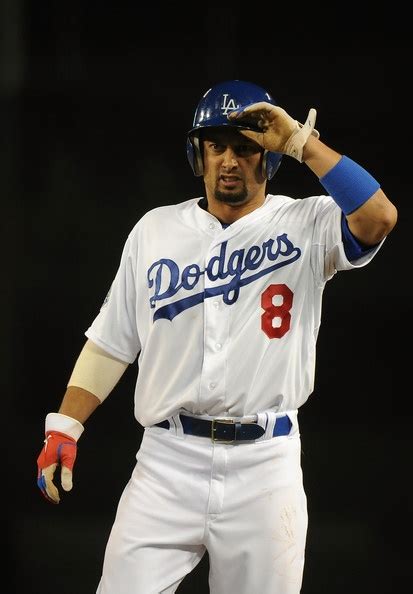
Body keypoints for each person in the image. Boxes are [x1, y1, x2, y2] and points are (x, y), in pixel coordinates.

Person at [36, 79, 398, 594]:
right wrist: (64, 428)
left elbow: (380, 216)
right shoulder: (155, 230)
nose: (229, 160)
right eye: (216, 145)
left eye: (245, 147)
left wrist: (302, 144)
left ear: (268, 156)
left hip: (265, 466)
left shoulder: (307, 220)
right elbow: (112, 342)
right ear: (198, 155)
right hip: (167, 461)